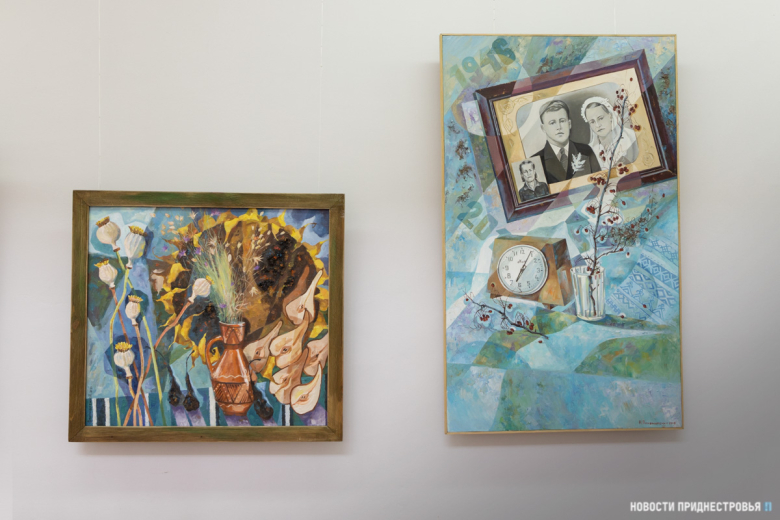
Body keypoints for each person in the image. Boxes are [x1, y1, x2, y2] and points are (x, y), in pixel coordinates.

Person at [531, 99, 600, 185]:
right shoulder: (536, 161)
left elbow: (601, 183)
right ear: (543, 128)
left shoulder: (586, 151)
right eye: (552, 123)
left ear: (569, 124)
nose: (559, 127)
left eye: (562, 121)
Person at [581, 96, 639, 170]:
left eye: (601, 118)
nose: (597, 125)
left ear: (610, 116)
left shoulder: (630, 136)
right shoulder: (591, 150)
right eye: (592, 122)